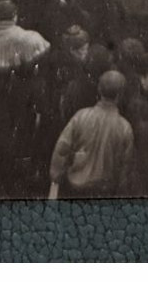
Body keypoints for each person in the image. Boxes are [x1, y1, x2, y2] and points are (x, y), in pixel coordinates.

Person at [49, 70, 135, 198]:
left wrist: (56, 177)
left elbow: (62, 149)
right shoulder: (125, 128)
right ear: (120, 95)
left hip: (75, 189)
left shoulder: (81, 116)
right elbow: (125, 168)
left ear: (99, 90)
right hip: (104, 194)